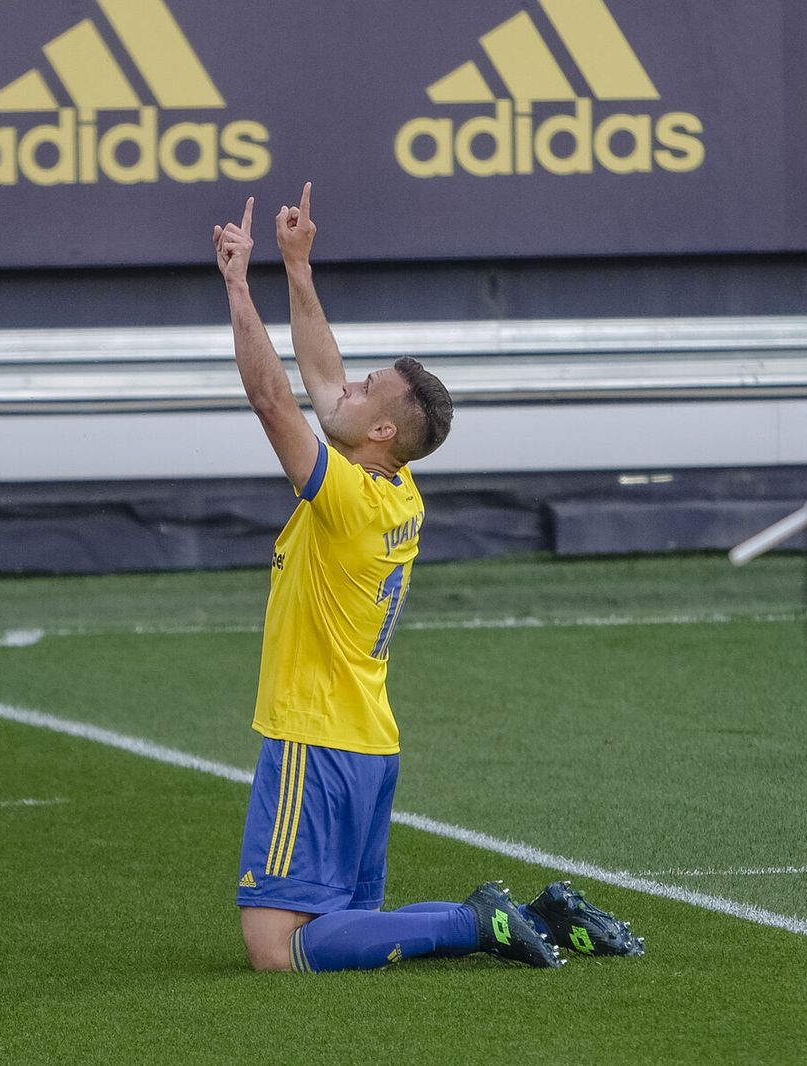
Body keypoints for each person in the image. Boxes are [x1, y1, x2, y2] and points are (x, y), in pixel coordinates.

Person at [212, 182, 644, 973]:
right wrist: (298, 268)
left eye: (363, 389)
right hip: (369, 741)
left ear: (380, 429)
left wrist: (240, 286)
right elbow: (318, 375)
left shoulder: (348, 497)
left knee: (277, 949)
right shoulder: (394, 487)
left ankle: (476, 923)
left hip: (317, 737)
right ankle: (535, 916)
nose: (342, 388)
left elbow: (274, 398)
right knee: (346, 925)